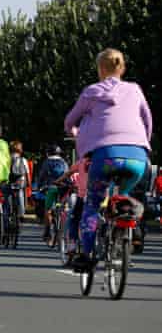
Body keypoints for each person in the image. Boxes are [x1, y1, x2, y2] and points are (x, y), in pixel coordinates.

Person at [64, 48, 152, 269]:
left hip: (105, 156)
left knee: (92, 204)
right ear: (121, 68)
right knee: (123, 194)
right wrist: (141, 142)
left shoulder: (91, 92)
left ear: (100, 69)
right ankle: (124, 230)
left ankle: (86, 254)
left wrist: (75, 133)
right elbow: (148, 120)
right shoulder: (135, 90)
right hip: (138, 159)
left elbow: (69, 121)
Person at [35, 144, 68, 243]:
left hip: (51, 188)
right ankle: (63, 229)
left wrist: (39, 187)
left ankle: (47, 231)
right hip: (63, 188)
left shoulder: (47, 162)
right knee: (64, 209)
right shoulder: (64, 162)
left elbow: (41, 176)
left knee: (48, 210)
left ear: (48, 153)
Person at [8, 141, 30, 224]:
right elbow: (27, 173)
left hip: (9, 180)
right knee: (20, 194)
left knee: (7, 195)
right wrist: (29, 184)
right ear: (20, 150)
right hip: (20, 180)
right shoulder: (23, 160)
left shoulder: (7, 158)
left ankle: (7, 213)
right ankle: (21, 214)